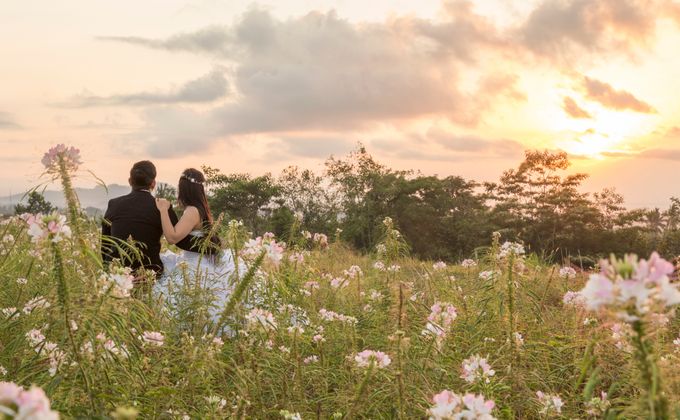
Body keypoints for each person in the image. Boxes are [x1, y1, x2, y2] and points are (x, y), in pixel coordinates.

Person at [153, 168, 238, 321]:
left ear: (183, 190)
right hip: (200, 263)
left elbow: (172, 237)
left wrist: (163, 210)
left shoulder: (192, 211)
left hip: (194, 266)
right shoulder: (202, 209)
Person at [101, 161, 179, 277]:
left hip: (117, 272)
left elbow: (105, 243)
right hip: (150, 272)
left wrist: (109, 269)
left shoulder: (114, 204)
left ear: (130, 181)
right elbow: (177, 235)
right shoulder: (161, 206)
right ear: (153, 183)